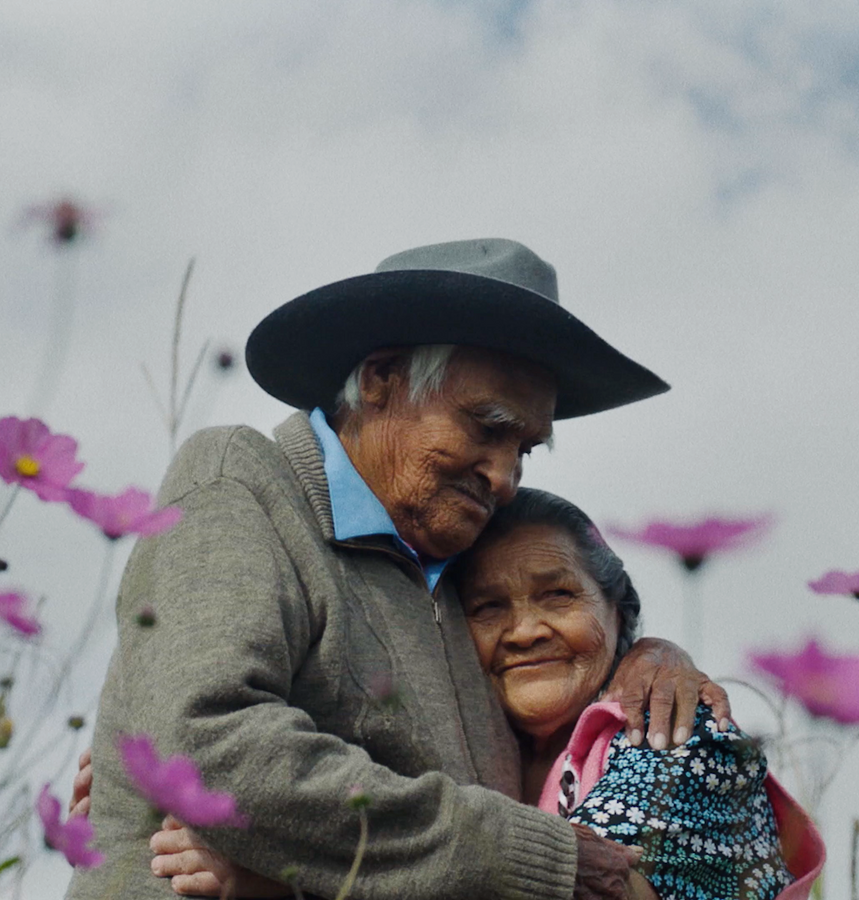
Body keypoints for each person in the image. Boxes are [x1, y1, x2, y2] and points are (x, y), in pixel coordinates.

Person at [65, 238, 729, 900]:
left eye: (524, 449)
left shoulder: (467, 569)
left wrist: (649, 655)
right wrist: (525, 859)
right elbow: (206, 739)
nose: (503, 477)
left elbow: (563, 656)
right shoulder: (240, 484)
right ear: (382, 378)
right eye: (486, 426)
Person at [135, 489, 826, 899]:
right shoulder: (474, 755)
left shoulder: (676, 732)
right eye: (488, 608)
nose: (525, 630)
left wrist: (275, 876)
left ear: (620, 614)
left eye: (558, 595)